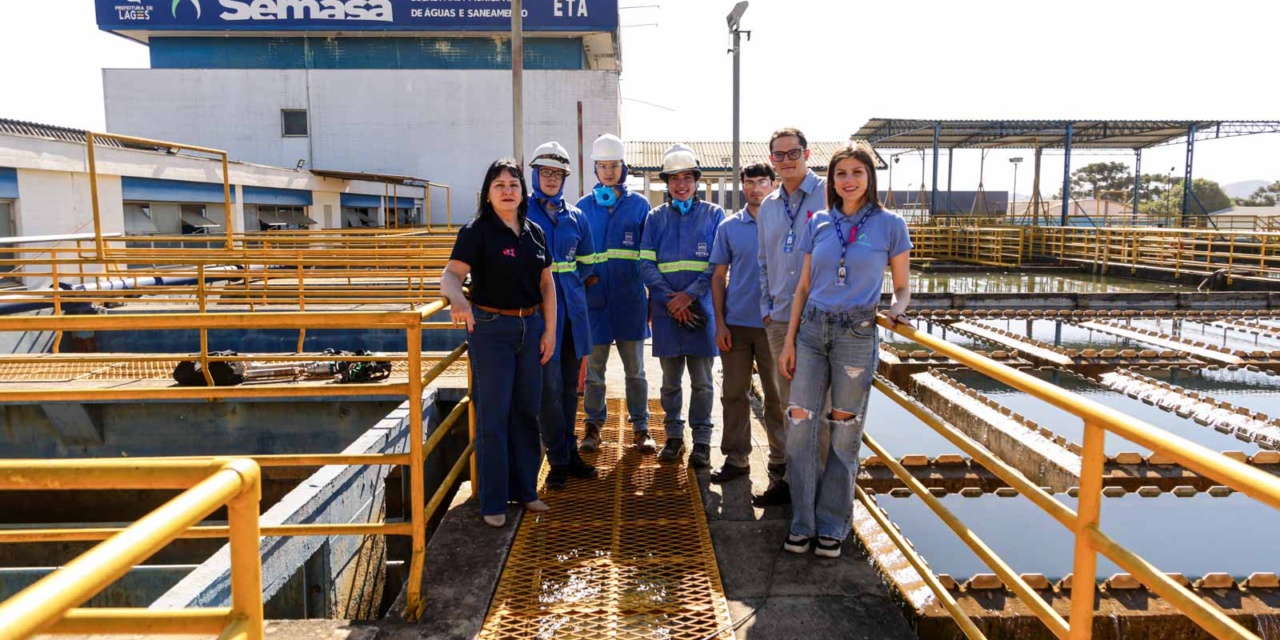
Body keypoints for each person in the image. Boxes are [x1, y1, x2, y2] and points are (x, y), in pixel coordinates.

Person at [778, 142, 912, 558]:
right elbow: (802, 288)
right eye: (841, 174)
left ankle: (833, 526)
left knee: (843, 433)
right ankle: (802, 522)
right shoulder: (818, 222)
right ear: (832, 181)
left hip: (857, 332)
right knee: (800, 427)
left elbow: (903, 285)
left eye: (857, 172)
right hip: (812, 331)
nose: (849, 180)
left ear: (869, 177)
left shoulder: (890, 224)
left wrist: (897, 309)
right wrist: (789, 341)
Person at [441, 158, 557, 528]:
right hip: (491, 330)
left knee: (525, 411)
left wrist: (550, 331)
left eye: (513, 185)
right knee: (493, 415)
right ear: (488, 194)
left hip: (530, 328)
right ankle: (493, 500)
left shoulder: (535, 232)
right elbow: (451, 275)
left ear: (523, 192)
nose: (507, 191)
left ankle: (525, 490)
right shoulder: (477, 231)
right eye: (499, 185)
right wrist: (458, 300)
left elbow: (547, 286)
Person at [639, 144, 725, 467]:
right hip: (666, 313)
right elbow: (645, 264)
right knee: (670, 382)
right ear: (666, 184)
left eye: (687, 178)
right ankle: (674, 437)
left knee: (703, 381)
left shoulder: (714, 215)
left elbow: (717, 265)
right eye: (674, 179)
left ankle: (702, 441)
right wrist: (671, 299)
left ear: (697, 181)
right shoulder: (655, 218)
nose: (681, 185)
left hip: (700, 311)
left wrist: (689, 296)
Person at [754, 127, 826, 506]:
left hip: (822, 317)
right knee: (788, 406)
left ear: (807, 153)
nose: (786, 160)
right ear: (771, 160)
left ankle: (823, 490)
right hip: (781, 320)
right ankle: (790, 483)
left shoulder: (829, 193)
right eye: (778, 155)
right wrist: (767, 312)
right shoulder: (769, 205)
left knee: (824, 407)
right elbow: (764, 262)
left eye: (792, 153)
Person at [527, 142, 600, 489]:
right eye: (546, 172)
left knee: (571, 390)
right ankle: (557, 459)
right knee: (548, 391)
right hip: (541, 321)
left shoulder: (577, 218)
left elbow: (588, 265)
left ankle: (568, 451)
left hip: (573, 318)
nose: (551, 179)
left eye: (557, 174)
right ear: (535, 174)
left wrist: (576, 294)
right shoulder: (522, 215)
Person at [577, 134, 656, 454]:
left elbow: (650, 254)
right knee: (594, 373)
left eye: (614, 166)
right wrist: (587, 279)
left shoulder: (639, 206)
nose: (608, 172)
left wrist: (650, 298)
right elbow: (574, 255)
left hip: (630, 302)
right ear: (595, 169)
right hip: (594, 305)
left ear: (623, 168)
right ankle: (593, 428)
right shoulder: (582, 207)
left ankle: (641, 428)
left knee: (635, 371)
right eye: (602, 166)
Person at [709, 162, 785, 485]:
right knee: (734, 393)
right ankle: (737, 458)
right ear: (743, 187)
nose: (755, 188)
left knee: (777, 396)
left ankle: (781, 458)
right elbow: (717, 277)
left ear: (773, 184)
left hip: (775, 326)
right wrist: (720, 324)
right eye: (750, 183)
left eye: (762, 182)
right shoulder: (729, 227)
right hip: (737, 326)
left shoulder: (784, 224)